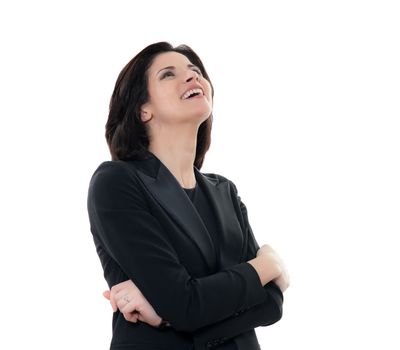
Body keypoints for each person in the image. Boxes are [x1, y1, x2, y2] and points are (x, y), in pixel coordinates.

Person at [87, 41, 290, 350]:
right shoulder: (116, 182)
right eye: (168, 74)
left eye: (196, 71)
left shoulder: (225, 191)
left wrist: (167, 317)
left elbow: (272, 304)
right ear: (143, 110)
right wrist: (268, 266)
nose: (193, 77)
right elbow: (185, 304)